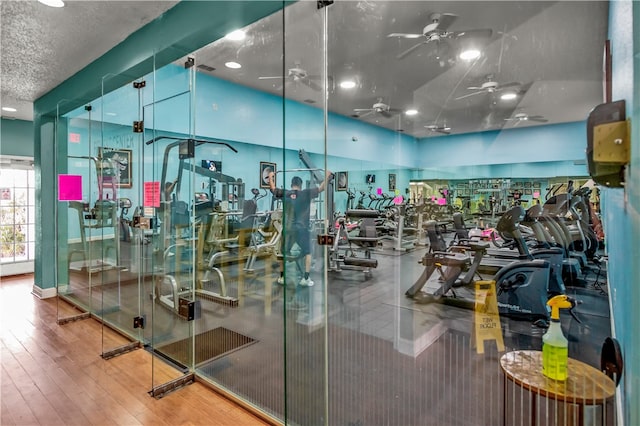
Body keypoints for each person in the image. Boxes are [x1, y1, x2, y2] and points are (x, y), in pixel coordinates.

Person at [268, 169, 332, 287]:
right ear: (301, 186)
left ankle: (282, 277)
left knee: (282, 252)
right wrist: (327, 177)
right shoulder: (305, 193)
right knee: (308, 252)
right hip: (302, 229)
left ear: (291, 185)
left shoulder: (286, 193)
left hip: (288, 230)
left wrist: (270, 177)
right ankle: (305, 278)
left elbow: (272, 189)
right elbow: (321, 188)